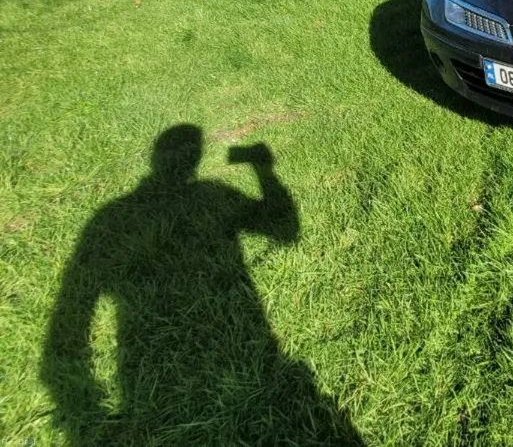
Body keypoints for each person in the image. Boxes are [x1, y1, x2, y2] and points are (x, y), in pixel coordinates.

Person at [41, 125, 363, 445]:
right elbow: (285, 230)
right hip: (243, 362)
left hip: (149, 393)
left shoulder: (108, 217)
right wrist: (263, 169)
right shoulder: (211, 193)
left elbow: (72, 310)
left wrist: (86, 412)